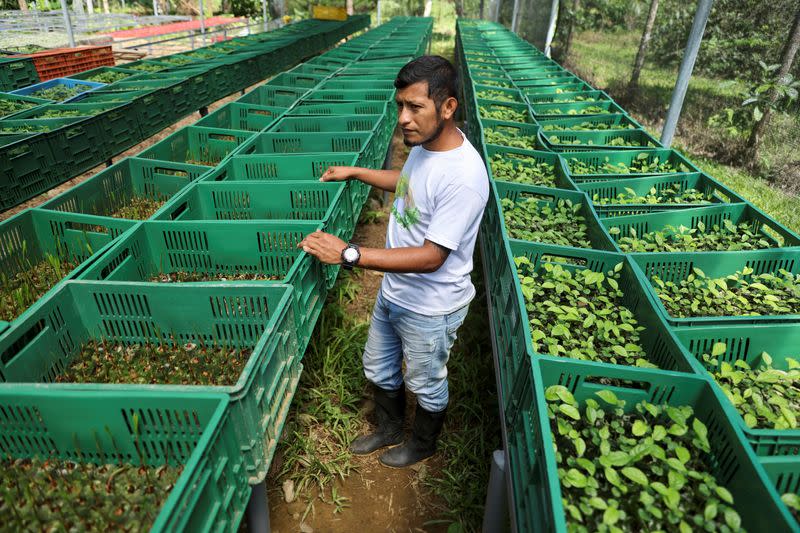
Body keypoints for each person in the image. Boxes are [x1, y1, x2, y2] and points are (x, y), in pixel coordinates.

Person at [297, 55, 489, 468]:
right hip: (395, 291)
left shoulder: (465, 176)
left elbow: (431, 257)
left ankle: (422, 444)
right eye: (400, 105)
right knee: (379, 365)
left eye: (414, 107)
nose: (403, 118)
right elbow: (407, 186)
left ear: (448, 106)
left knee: (426, 381)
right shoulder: (425, 146)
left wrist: (349, 253)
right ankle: (388, 428)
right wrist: (356, 172)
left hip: (431, 307)